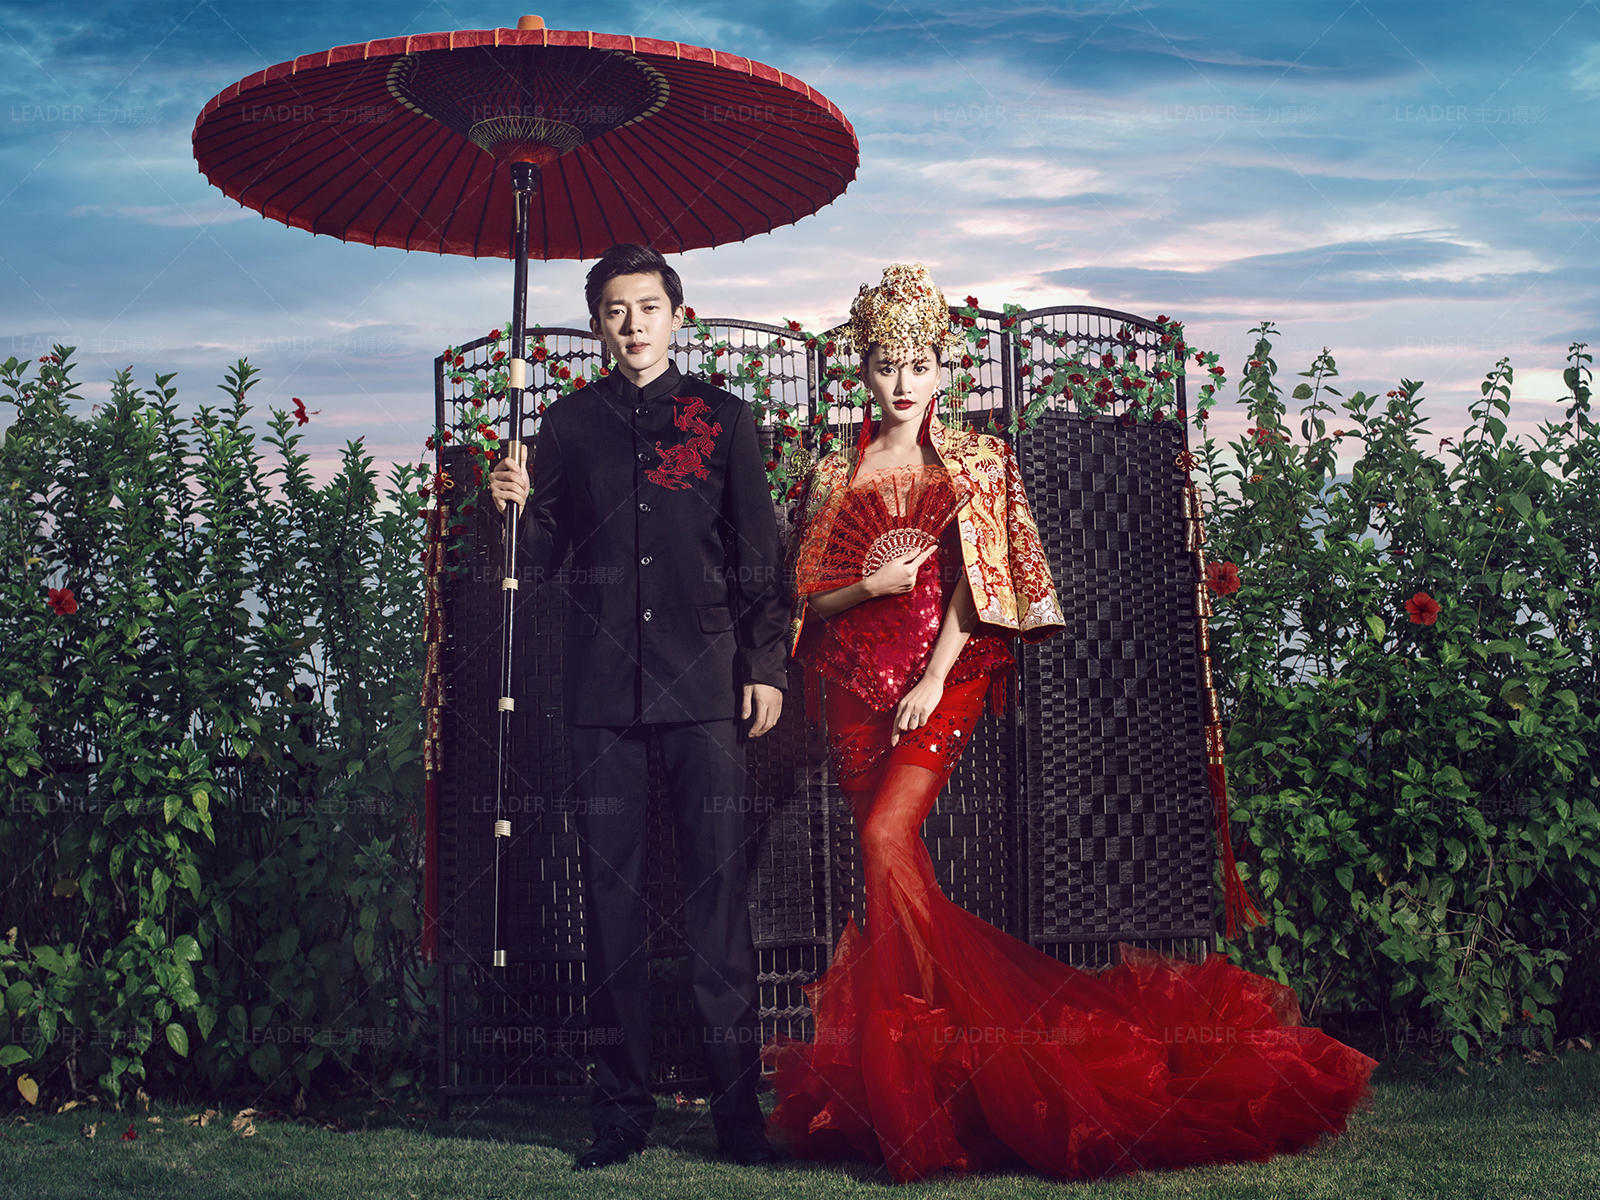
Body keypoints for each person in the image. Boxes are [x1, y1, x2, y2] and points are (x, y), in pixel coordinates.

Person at [765, 263, 1376, 1183]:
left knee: (889, 840)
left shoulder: (976, 460)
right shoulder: (830, 472)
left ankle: (956, 1067)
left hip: (942, 677)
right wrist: (871, 583)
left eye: (919, 364)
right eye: (887, 364)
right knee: (890, 865)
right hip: (853, 685)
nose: (902, 382)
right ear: (864, 369)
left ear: (944, 369)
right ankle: (943, 1075)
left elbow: (985, 584)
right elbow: (808, 602)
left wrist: (933, 677)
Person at [487, 243, 786, 1170]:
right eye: (615, 309)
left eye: (648, 306)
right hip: (601, 695)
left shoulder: (723, 419)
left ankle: (738, 1115)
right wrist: (513, 506)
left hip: (704, 686)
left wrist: (765, 666)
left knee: (716, 901)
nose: (633, 323)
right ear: (596, 326)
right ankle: (620, 1113)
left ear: (676, 316)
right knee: (609, 905)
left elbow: (759, 554)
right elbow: (537, 563)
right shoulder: (566, 425)